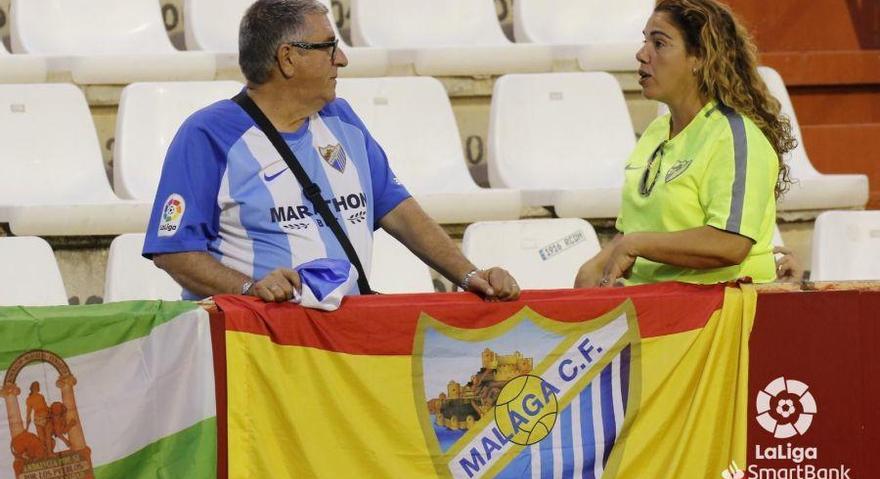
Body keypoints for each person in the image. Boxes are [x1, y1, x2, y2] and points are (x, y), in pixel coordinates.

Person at [143, 0, 519, 302]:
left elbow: (399, 210)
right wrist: (249, 289)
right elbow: (174, 251)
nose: (342, 59)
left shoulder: (342, 119)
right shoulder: (207, 135)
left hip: (340, 344)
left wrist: (470, 276)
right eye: (329, 47)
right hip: (258, 347)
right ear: (288, 58)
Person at [574, 0, 796, 288]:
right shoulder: (655, 133)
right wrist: (592, 270)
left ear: (700, 57)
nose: (642, 54)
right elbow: (634, 231)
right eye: (645, 41)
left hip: (717, 312)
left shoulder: (734, 135)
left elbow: (730, 242)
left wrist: (636, 245)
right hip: (655, 308)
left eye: (659, 43)